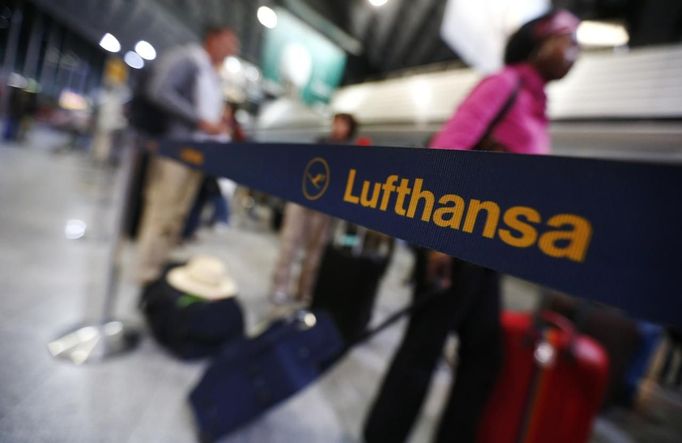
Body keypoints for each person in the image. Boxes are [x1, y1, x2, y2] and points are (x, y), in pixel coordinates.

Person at [363, 10, 580, 443]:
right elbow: (449, 150)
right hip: (456, 238)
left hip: (487, 253)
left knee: (484, 356)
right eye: (566, 40)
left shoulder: (538, 107)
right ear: (538, 41)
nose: (574, 53)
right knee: (423, 350)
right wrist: (438, 241)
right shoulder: (505, 85)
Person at [135, 25, 239, 285]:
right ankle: (146, 273)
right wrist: (199, 121)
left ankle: (158, 270)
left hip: (196, 151)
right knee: (162, 213)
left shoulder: (211, 74)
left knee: (178, 215)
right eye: (228, 43)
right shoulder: (187, 60)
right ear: (212, 40)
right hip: (175, 149)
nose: (231, 50)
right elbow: (159, 90)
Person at [270, 113, 358, 304]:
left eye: (343, 124)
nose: (338, 127)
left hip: (325, 207)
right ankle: (280, 286)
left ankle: (304, 292)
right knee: (289, 244)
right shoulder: (320, 142)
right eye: (337, 122)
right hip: (302, 199)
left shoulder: (352, 151)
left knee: (315, 254)